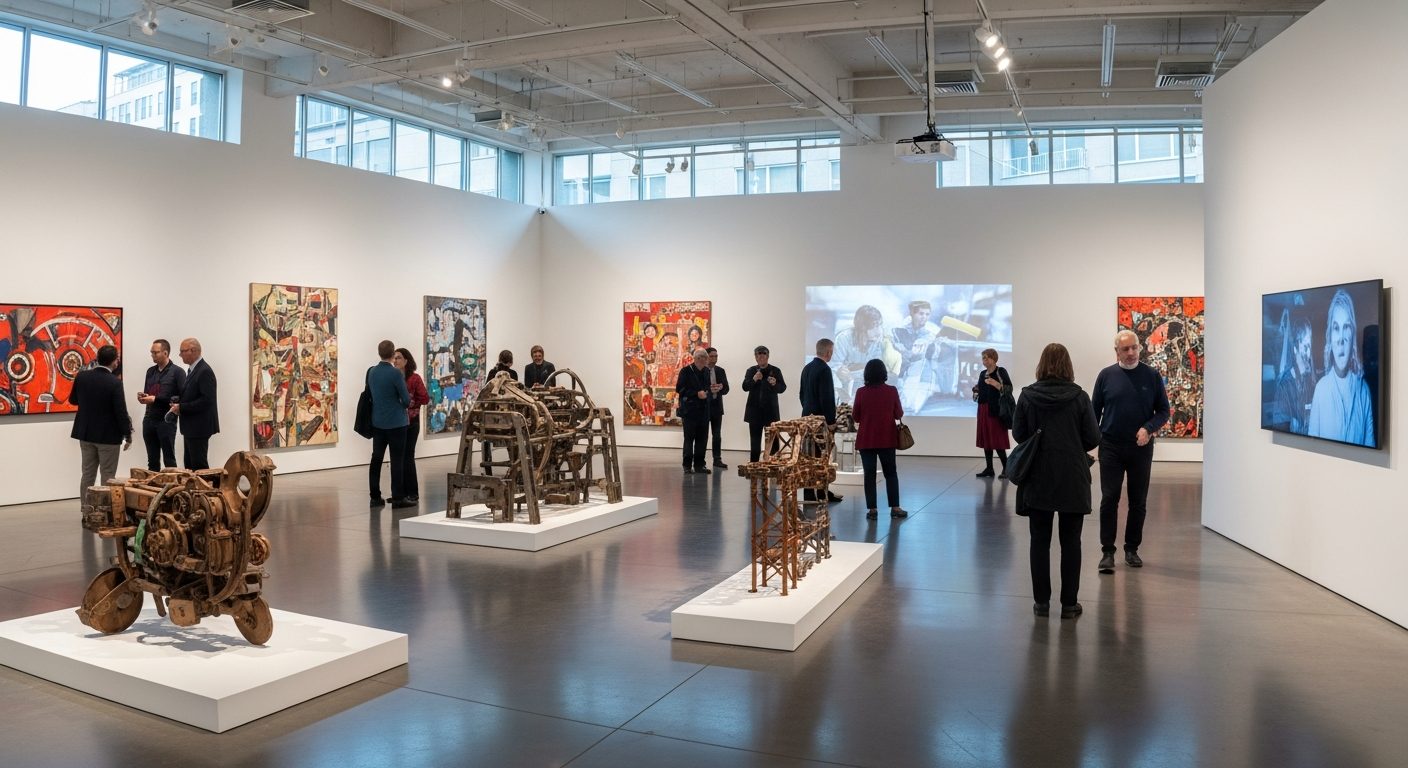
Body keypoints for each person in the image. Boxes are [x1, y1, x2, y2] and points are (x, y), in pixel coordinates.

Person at [1012, 343, 1101, 619]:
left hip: (1038, 476)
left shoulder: (1027, 396)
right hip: (1072, 477)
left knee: (1039, 541)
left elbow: (1019, 434)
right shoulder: (1080, 397)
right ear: (1068, 365)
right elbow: (1092, 438)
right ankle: (1069, 605)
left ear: (1041, 364)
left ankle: (1041, 604)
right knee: (1071, 542)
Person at [1092, 330, 1171, 574]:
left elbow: (1164, 411)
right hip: (1111, 447)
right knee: (1109, 499)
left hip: (1140, 448)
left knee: (1138, 501)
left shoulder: (1152, 376)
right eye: (1125, 349)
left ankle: (1131, 549)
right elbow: (1094, 413)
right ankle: (1107, 552)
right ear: (1117, 352)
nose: (1131, 353)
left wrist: (1148, 428)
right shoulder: (1106, 376)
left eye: (1134, 347)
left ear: (1140, 348)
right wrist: (1090, 444)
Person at [1308, 289, 1375, 446]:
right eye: (1336, 328)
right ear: (1330, 338)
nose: (1341, 339)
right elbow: (1311, 447)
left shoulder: (1363, 391)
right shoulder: (1321, 390)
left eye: (1346, 327)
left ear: (1353, 337)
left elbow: (1370, 447)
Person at [69, 345, 132, 499]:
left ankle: (86, 508)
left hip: (86, 433)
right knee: (108, 476)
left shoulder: (82, 376)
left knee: (87, 474)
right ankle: (105, 509)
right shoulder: (114, 382)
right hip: (108, 436)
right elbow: (121, 412)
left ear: (98, 358)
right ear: (115, 361)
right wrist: (128, 434)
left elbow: (73, 400)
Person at [852, 358, 906, 520]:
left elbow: (856, 416)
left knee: (869, 475)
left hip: (866, 439)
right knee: (891, 473)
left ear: (866, 374)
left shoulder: (861, 392)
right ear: (884, 373)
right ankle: (895, 507)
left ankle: (872, 510)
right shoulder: (892, 391)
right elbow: (898, 414)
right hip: (887, 438)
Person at [368, 340, 412, 508]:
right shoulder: (396, 374)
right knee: (397, 460)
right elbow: (406, 400)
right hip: (396, 423)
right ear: (393, 354)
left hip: (378, 422)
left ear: (379, 353)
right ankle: (398, 497)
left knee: (376, 458)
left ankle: (375, 496)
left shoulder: (372, 372)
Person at [800, 339, 843, 502]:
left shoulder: (807, 368)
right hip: (820, 421)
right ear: (829, 352)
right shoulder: (824, 369)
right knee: (821, 457)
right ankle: (821, 492)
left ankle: (810, 492)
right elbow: (826, 397)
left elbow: (802, 394)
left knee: (809, 456)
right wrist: (831, 420)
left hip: (807, 418)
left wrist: (808, 412)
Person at [832, 305, 901, 403]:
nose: (879, 331)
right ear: (863, 328)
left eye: (880, 325)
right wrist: (841, 372)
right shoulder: (843, 339)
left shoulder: (879, 341)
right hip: (844, 390)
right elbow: (834, 367)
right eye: (874, 327)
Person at [136, 339, 185, 472]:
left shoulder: (177, 372)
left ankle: (172, 484)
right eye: (151, 352)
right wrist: (144, 396)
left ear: (165, 353)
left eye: (155, 352)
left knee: (169, 459)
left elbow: (182, 396)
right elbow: (149, 392)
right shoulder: (150, 371)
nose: (152, 355)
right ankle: (153, 485)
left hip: (166, 419)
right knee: (152, 460)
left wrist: (156, 399)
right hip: (149, 417)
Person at [172, 338, 218, 471]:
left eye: (182, 351)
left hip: (199, 427)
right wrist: (178, 400)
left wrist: (182, 407)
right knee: (190, 466)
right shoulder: (193, 370)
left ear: (193, 351)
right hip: (191, 427)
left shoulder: (204, 371)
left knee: (199, 467)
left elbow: (207, 400)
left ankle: (207, 485)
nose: (180, 355)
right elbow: (193, 394)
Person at [394, 347, 430, 504]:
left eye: (398, 358)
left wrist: (411, 403)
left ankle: (412, 493)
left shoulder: (414, 378)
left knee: (408, 456)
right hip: (397, 422)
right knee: (399, 457)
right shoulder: (394, 377)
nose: (395, 361)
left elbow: (425, 398)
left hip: (411, 422)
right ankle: (400, 493)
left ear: (406, 360)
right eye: (394, 358)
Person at [892, 300, 941, 411]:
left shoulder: (932, 330)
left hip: (920, 369)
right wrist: (909, 354)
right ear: (913, 313)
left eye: (927, 314)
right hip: (900, 369)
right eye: (921, 313)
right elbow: (895, 347)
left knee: (910, 405)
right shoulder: (899, 328)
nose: (924, 317)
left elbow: (935, 352)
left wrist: (929, 345)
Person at [742, 346, 787, 462]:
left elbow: (782, 388)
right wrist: (753, 379)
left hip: (771, 412)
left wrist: (774, 384)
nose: (761, 356)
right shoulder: (751, 371)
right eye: (758, 354)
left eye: (763, 354)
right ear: (755, 357)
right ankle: (754, 465)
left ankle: (773, 464)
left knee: (773, 441)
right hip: (754, 412)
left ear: (768, 356)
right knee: (755, 442)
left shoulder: (775, 371)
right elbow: (745, 387)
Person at [973, 348, 1013, 478]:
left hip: (996, 409)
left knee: (997, 438)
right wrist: (976, 391)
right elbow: (980, 390)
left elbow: (1009, 389)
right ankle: (989, 469)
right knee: (986, 438)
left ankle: (1006, 468)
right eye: (983, 358)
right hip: (983, 408)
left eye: (986, 357)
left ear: (994, 358)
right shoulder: (982, 373)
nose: (984, 360)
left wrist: (994, 383)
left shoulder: (1000, 371)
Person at [1272, 317, 1316, 435]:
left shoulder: (1312, 381)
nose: (1309, 353)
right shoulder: (1284, 387)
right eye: (1305, 347)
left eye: (1310, 346)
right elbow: (1280, 432)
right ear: (1295, 348)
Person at [676, 348, 713, 474]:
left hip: (704, 410)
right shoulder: (686, 371)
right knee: (689, 438)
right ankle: (687, 465)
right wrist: (696, 394)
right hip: (689, 411)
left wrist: (711, 390)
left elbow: (708, 387)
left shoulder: (707, 371)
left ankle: (700, 465)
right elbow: (680, 389)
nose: (707, 360)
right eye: (705, 358)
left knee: (702, 439)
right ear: (698, 358)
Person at [704, 347, 730, 469]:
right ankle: (700, 460)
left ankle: (717, 459)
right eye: (712, 356)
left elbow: (726, 388)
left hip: (717, 406)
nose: (714, 358)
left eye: (716, 356)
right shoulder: (701, 370)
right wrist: (709, 389)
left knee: (717, 435)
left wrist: (720, 388)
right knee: (703, 435)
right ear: (706, 357)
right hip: (704, 407)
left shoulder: (720, 371)